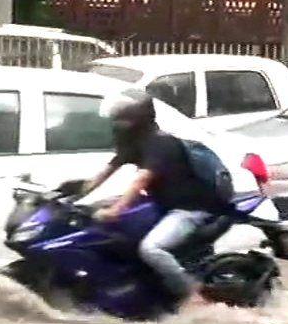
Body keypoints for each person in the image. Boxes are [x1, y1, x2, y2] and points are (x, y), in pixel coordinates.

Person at [78, 89, 225, 308]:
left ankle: (193, 295)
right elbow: (101, 175)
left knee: (151, 249)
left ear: (136, 118)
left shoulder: (161, 144)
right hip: (161, 205)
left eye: (121, 116)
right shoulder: (134, 144)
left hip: (189, 209)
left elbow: (141, 180)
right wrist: (67, 194)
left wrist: (116, 210)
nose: (116, 122)